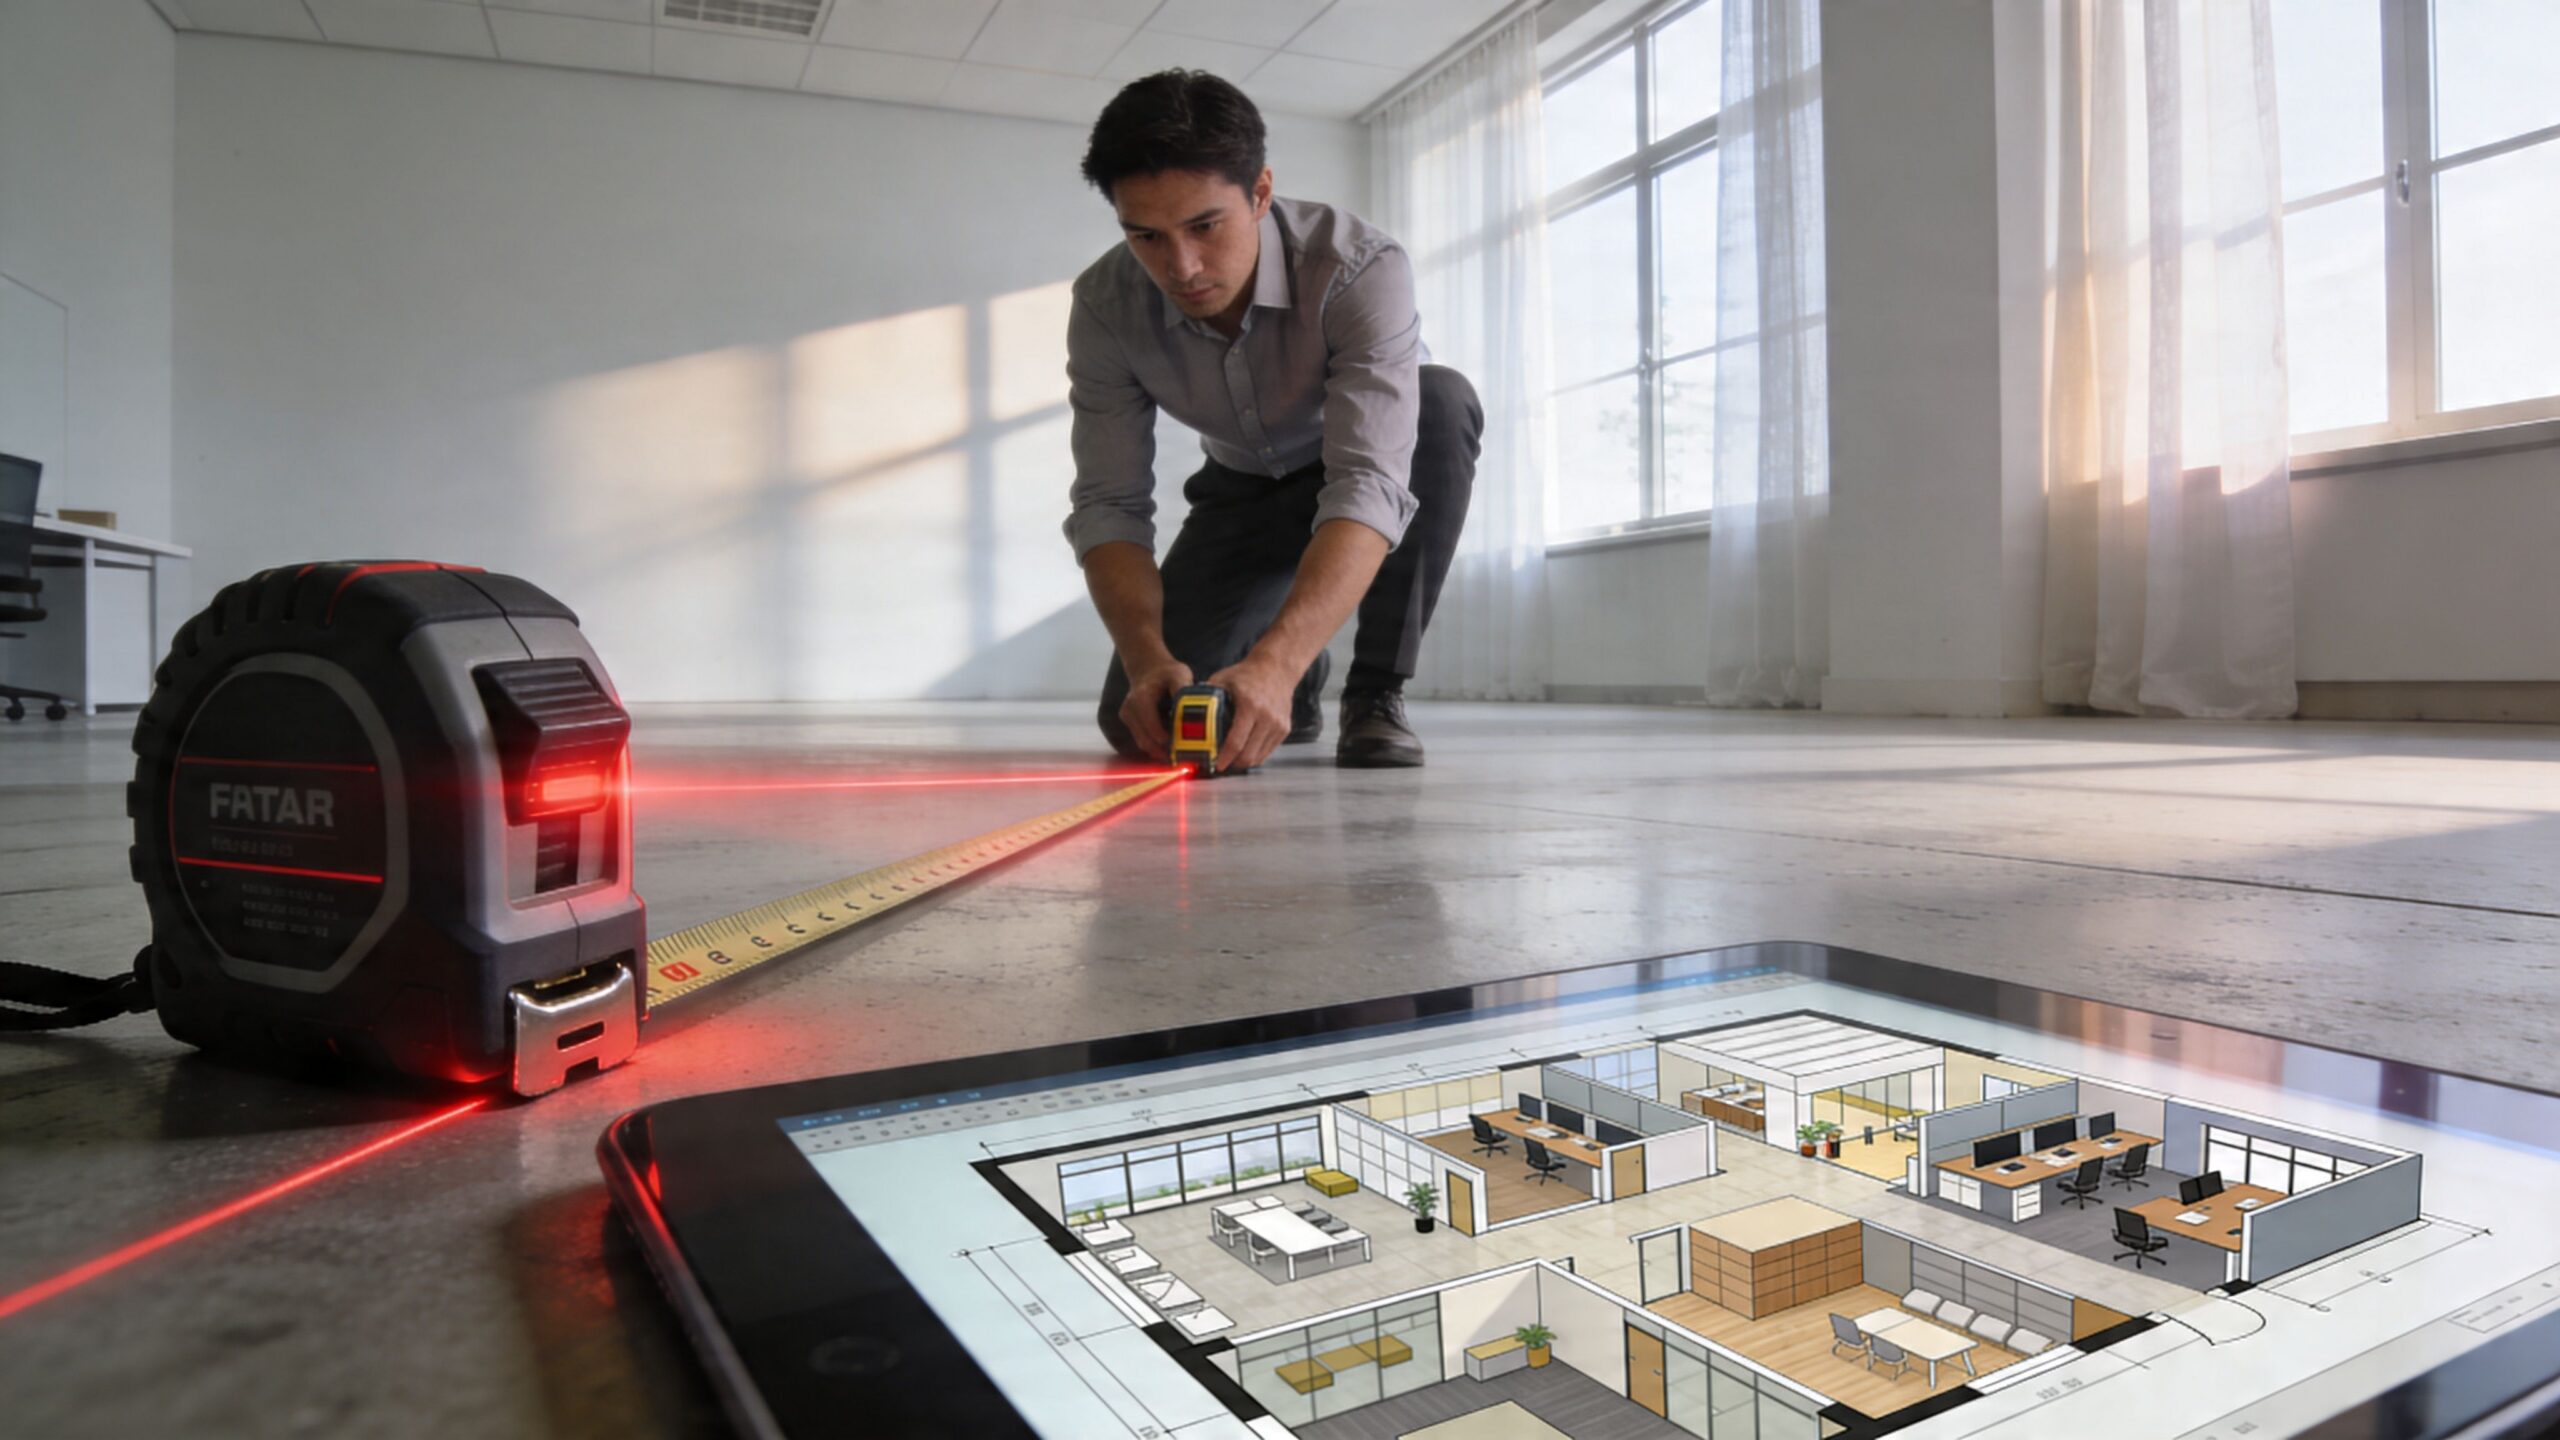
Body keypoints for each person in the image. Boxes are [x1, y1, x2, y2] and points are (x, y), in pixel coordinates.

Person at [1064, 69, 1481, 772]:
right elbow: (1110, 504)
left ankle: (1374, 694)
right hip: (1240, 489)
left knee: (1440, 399)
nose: (1182, 266)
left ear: (1259, 192)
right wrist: (1146, 660)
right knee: (1135, 719)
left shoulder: (1357, 267)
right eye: (1146, 236)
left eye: (1204, 226)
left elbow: (1369, 479)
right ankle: (1296, 676)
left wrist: (1276, 662)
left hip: (1356, 469)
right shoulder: (1106, 305)